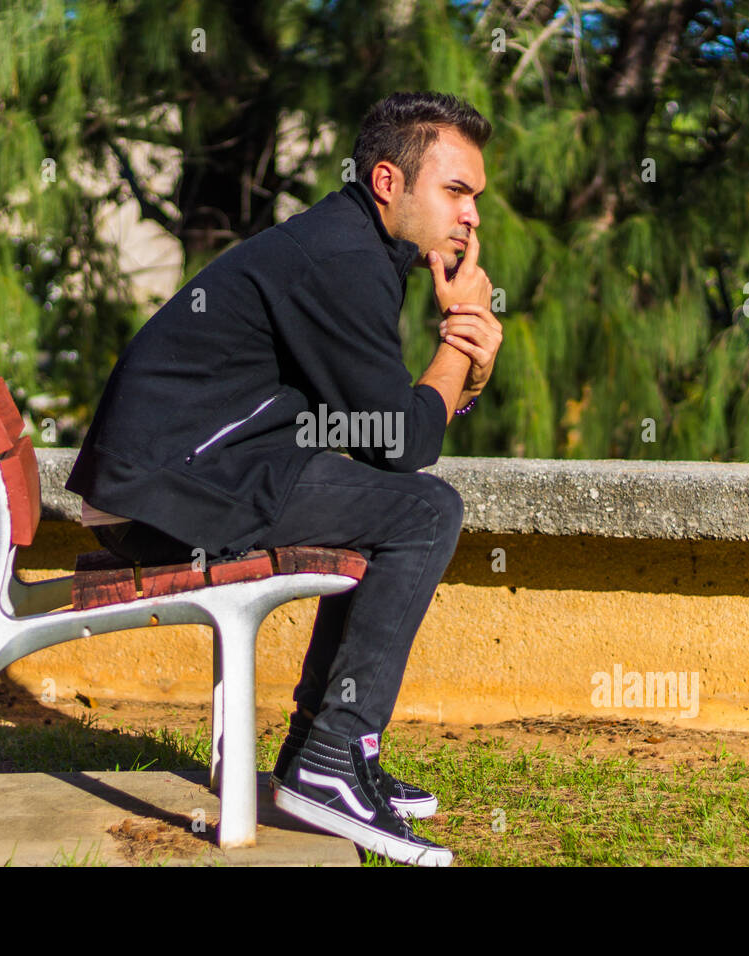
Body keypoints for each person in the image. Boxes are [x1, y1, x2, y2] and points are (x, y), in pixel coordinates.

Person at [64, 91, 502, 866]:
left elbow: (375, 434)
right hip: (168, 492)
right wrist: (459, 348)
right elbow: (400, 442)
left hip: (185, 476)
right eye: (455, 190)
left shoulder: (350, 248)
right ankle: (331, 754)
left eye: (476, 197)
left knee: (406, 505)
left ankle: (320, 754)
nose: (471, 216)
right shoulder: (342, 260)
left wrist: (460, 370)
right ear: (387, 182)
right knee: (425, 512)